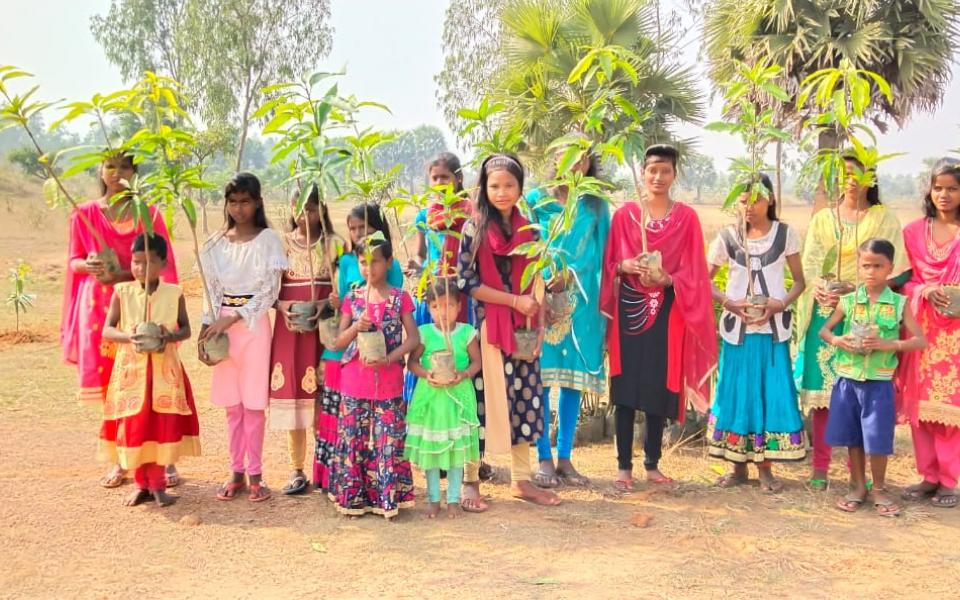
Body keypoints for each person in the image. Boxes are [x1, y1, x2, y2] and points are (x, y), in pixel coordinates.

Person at [600, 144, 717, 491]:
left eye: (665, 171)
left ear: (674, 175)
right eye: (652, 170)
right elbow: (609, 265)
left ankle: (652, 463)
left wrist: (669, 279)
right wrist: (624, 266)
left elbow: (696, 271)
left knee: (657, 386)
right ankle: (623, 466)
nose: (658, 177)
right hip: (629, 312)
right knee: (625, 388)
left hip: (668, 312)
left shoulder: (686, 219)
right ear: (643, 173)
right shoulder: (625, 216)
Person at [61, 152, 179, 489]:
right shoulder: (83, 214)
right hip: (99, 309)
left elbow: (164, 262)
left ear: (135, 172)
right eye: (110, 166)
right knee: (112, 387)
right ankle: (118, 459)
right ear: (100, 170)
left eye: (124, 167)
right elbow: (73, 260)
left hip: (142, 305)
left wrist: (126, 274)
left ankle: (163, 459)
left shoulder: (149, 213)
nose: (117, 173)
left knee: (153, 383)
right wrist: (90, 267)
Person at [795, 156, 908, 490]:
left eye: (859, 174)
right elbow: (811, 262)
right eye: (844, 174)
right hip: (826, 312)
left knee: (862, 395)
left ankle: (859, 475)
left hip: (866, 313)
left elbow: (900, 269)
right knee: (825, 394)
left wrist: (857, 288)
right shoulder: (823, 219)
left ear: (871, 178)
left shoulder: (883, 218)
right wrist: (818, 285)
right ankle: (820, 467)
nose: (851, 181)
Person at [457, 153, 559, 509]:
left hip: (525, 329)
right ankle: (471, 481)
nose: (502, 192)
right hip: (488, 331)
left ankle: (521, 481)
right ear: (484, 188)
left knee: (524, 402)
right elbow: (467, 283)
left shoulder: (530, 230)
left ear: (520, 188)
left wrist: (539, 328)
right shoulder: (474, 229)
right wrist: (513, 302)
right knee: (481, 406)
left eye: (509, 185)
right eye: (494, 185)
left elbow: (537, 283)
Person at [706, 175, 807, 492]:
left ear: (770, 200)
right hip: (739, 331)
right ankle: (736, 466)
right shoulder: (727, 238)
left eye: (756, 200)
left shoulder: (785, 235)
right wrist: (728, 302)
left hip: (772, 331)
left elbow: (799, 282)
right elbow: (703, 280)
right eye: (743, 200)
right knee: (737, 393)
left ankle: (766, 469)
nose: (749, 207)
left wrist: (779, 304)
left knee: (769, 392)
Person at [820, 239, 926, 517]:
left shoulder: (899, 303)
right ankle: (857, 486)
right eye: (866, 265)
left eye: (878, 266)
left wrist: (890, 345)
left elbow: (919, 341)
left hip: (879, 382)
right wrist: (839, 340)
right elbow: (825, 331)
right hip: (848, 380)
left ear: (890, 267)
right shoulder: (848, 300)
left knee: (877, 438)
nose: (871, 272)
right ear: (859, 266)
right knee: (854, 437)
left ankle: (878, 488)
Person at [199, 173, 288, 503]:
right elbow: (210, 292)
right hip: (220, 329)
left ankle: (256, 474)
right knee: (232, 406)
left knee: (253, 404)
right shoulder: (213, 244)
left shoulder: (268, 241)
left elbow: (269, 291)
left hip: (252, 326)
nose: (239, 208)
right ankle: (235, 470)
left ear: (258, 203)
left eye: (245, 201)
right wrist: (205, 331)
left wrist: (234, 317)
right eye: (233, 202)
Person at [526, 150, 609, 488]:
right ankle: (543, 458)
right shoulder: (536, 200)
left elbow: (604, 254)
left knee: (573, 382)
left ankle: (565, 459)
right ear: (555, 157)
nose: (575, 162)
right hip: (542, 300)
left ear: (590, 162)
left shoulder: (596, 205)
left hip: (582, 304)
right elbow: (528, 246)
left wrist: (572, 275)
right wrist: (544, 279)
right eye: (567, 155)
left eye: (583, 157)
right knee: (541, 383)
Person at [99, 233, 199, 507]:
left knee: (159, 427)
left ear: (163, 264)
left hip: (163, 375)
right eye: (136, 262)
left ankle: (157, 485)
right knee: (136, 427)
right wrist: (128, 338)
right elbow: (109, 328)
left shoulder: (174, 293)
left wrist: (169, 337)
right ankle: (142, 484)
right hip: (132, 373)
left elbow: (186, 329)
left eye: (148, 262)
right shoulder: (123, 292)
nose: (141, 268)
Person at [315, 203, 403, 494]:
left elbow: (394, 309)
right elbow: (345, 308)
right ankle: (338, 483)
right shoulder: (347, 263)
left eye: (362, 228)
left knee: (378, 428)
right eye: (351, 229)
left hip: (382, 357)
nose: (355, 234)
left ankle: (380, 489)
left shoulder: (392, 268)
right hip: (349, 356)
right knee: (347, 424)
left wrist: (389, 355)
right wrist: (339, 305)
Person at [329, 233, 419, 519]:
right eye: (363, 262)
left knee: (387, 442)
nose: (369, 268)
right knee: (353, 440)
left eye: (376, 262)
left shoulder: (400, 298)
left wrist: (389, 359)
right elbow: (337, 342)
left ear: (389, 262)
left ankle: (386, 500)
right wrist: (356, 326)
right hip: (354, 381)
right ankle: (353, 500)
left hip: (389, 381)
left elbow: (413, 338)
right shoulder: (353, 299)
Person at [269, 185, 339, 495]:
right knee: (294, 399)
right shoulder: (281, 245)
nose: (304, 215)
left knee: (321, 400)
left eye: (311, 209)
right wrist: (283, 307)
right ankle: (297, 469)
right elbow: (269, 291)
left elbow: (343, 289)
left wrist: (325, 305)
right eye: (299, 208)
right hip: (290, 333)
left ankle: (323, 468)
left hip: (321, 333)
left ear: (321, 209)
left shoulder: (335, 245)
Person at [899, 158, 960, 508]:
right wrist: (924, 290)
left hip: (956, 336)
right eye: (938, 187)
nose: (944, 194)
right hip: (922, 331)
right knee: (921, 407)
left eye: (952, 188)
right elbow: (903, 281)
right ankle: (929, 476)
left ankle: (950, 480)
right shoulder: (912, 232)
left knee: (951, 407)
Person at [405, 280, 482, 518]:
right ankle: (433, 499)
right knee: (432, 451)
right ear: (429, 308)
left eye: (449, 306)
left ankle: (454, 500)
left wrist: (463, 374)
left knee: (456, 450)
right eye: (437, 307)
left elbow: (477, 362)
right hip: (431, 400)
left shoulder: (466, 333)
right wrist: (426, 374)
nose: (443, 312)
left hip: (457, 399)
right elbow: (412, 363)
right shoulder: (425, 333)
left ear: (459, 307)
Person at [404, 152, 472, 401]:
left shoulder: (469, 214)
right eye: (435, 178)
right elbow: (422, 254)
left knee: (460, 349)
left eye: (445, 177)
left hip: (460, 292)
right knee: (429, 349)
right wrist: (417, 266)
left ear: (459, 178)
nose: (440, 182)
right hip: (432, 293)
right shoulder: (425, 216)